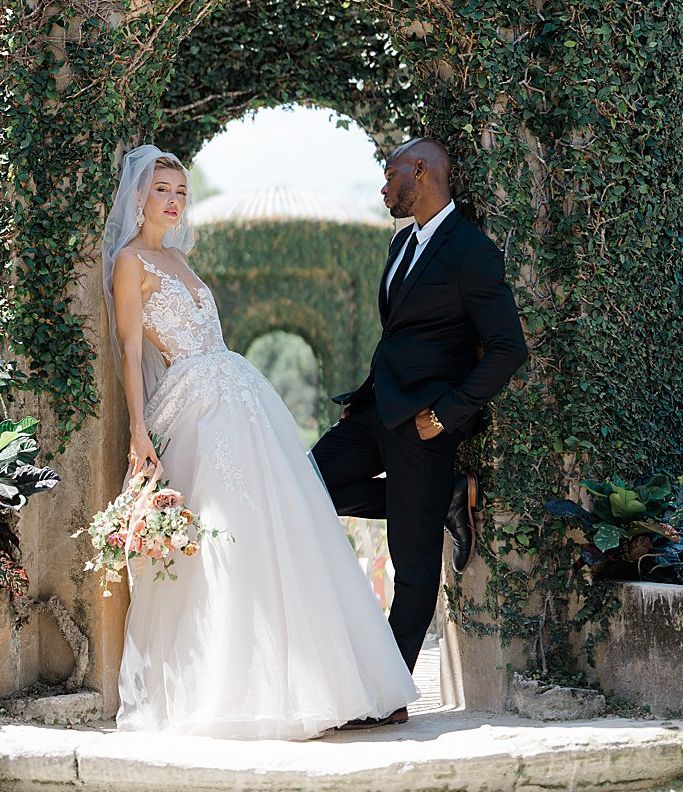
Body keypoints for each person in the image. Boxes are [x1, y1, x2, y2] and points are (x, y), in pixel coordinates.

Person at [105, 144, 417, 739]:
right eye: (162, 190)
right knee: (227, 537)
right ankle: (235, 689)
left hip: (241, 399)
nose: (172, 202)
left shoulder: (183, 261)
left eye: (180, 192)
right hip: (195, 407)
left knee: (287, 529)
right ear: (139, 197)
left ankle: (334, 683)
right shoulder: (131, 262)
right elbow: (129, 349)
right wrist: (138, 430)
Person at [311, 137, 529, 708]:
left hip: (426, 426)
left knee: (412, 567)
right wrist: (365, 397)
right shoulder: (400, 243)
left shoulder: (470, 251)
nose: (384, 188)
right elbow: (399, 335)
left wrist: (450, 412)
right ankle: (445, 498)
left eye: (390, 175)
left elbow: (508, 349)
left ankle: (386, 695)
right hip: (375, 411)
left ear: (422, 171)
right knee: (306, 484)